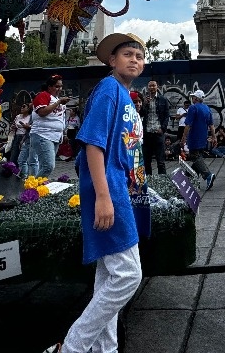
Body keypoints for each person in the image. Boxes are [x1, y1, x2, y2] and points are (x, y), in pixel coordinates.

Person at [44, 33, 146, 353]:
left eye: (140, 56)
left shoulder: (124, 95)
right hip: (108, 187)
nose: (134, 60)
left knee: (108, 278)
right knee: (129, 276)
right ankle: (71, 347)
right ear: (112, 61)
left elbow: (127, 147)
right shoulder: (108, 89)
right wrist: (103, 195)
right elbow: (93, 143)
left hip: (120, 185)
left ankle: (107, 350)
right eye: (127, 54)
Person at [24, 75, 67, 178]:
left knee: (46, 166)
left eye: (61, 86)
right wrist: (59, 102)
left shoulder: (55, 98)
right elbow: (42, 112)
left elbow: (60, 118)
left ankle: (37, 189)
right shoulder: (43, 95)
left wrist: (64, 133)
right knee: (48, 166)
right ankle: (31, 190)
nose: (59, 89)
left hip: (55, 136)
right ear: (49, 87)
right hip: (42, 134)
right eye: (57, 86)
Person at [183, 90, 217, 190]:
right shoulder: (207, 108)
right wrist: (214, 137)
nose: (192, 98)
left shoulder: (193, 108)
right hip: (203, 137)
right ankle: (188, 178)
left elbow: (188, 125)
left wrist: (183, 138)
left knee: (195, 156)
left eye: (193, 97)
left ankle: (208, 175)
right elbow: (211, 125)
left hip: (194, 136)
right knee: (197, 158)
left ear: (196, 98)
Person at [138, 80, 170, 175]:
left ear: (157, 87)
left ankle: (162, 182)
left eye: (153, 86)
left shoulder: (163, 100)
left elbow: (166, 115)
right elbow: (140, 113)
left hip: (158, 134)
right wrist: (144, 104)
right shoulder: (144, 100)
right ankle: (149, 184)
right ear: (148, 88)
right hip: (147, 134)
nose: (152, 88)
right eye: (150, 86)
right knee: (147, 162)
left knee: (160, 162)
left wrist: (163, 128)